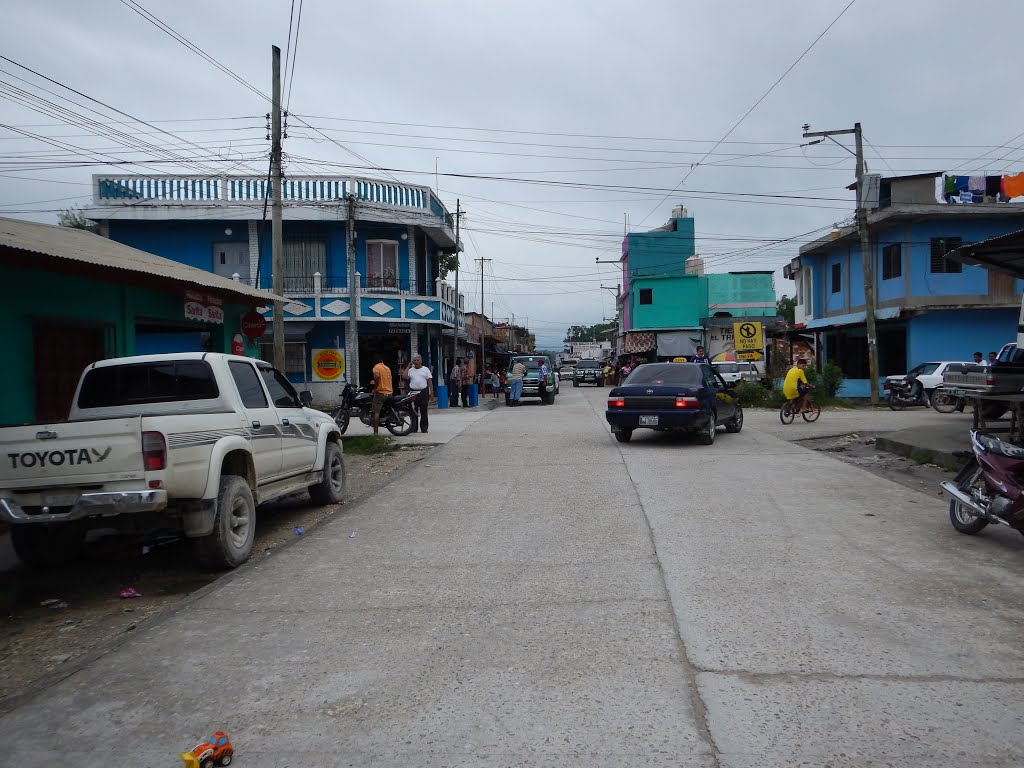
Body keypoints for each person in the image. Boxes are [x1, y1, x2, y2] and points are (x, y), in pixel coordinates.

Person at [402, 354, 433, 434]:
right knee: (413, 411)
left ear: (421, 361)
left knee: (423, 411)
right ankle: (413, 428)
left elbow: (430, 382)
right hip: (412, 392)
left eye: (417, 360)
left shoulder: (425, 369)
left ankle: (424, 428)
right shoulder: (411, 370)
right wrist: (408, 366)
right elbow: (405, 376)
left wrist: (431, 393)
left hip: (423, 392)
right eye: (414, 360)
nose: (416, 362)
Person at [370, 353, 393, 436]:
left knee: (376, 412)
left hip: (381, 393)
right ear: (382, 361)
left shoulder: (376, 368)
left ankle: (375, 432)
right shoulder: (387, 368)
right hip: (389, 392)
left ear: (374, 362)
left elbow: (376, 377)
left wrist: (375, 388)